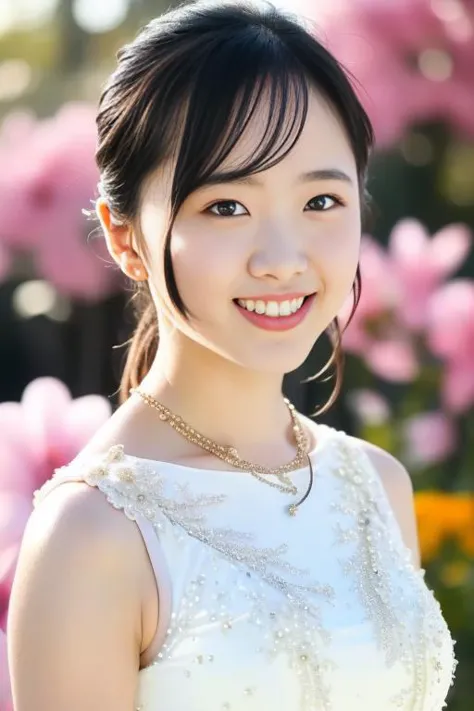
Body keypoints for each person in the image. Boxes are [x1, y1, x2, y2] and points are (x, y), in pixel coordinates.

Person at [7, 2, 457, 710]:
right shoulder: (93, 536)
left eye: (321, 200)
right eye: (226, 207)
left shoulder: (376, 487)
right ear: (126, 239)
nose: (283, 259)